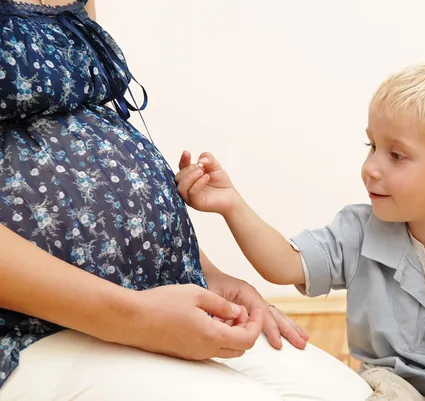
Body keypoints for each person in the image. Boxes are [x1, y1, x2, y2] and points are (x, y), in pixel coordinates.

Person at [0, 1, 374, 400]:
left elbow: (91, 123)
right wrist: (133, 317)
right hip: (33, 326)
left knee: (347, 392)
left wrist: (202, 271)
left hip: (148, 296)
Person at [175, 58, 425, 400]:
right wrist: (231, 204)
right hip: (394, 392)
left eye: (397, 155)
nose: (371, 167)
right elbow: (284, 264)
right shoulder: (360, 232)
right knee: (377, 386)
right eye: (371, 146)